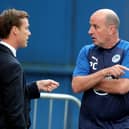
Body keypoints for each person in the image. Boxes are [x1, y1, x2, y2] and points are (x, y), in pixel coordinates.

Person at [0, 8, 59, 129]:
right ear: (15, 30)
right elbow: (14, 112)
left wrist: (35, 87)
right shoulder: (12, 66)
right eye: (26, 28)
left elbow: (6, 94)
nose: (29, 33)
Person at [72, 8, 129, 129]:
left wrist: (88, 82)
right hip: (88, 125)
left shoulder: (126, 50)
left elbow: (122, 87)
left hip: (120, 125)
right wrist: (104, 72)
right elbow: (76, 86)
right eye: (90, 26)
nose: (90, 31)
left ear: (111, 29)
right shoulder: (86, 51)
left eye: (95, 27)